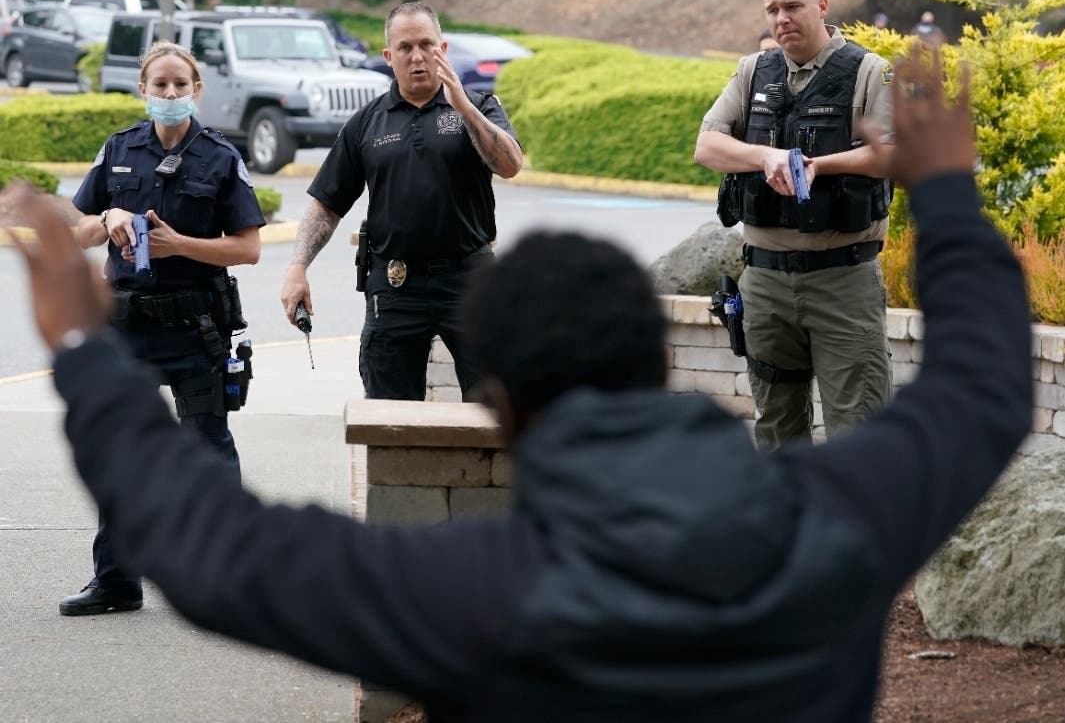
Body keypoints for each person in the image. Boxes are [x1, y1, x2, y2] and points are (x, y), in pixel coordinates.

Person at [7, 43, 1034, 721]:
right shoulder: (840, 519)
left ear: (501, 405)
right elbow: (985, 381)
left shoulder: (465, 590)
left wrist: (81, 345)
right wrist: (943, 191)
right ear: (658, 355)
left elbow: (210, 547)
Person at [59, 40, 265, 616]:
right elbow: (77, 230)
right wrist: (107, 217)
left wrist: (181, 246)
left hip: (195, 327)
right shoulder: (119, 150)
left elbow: (247, 248)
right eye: (160, 85)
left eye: (180, 85)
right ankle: (117, 582)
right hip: (125, 328)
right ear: (142, 90)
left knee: (207, 451)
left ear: (196, 90)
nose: (170, 94)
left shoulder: (220, 157)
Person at [694, 0, 895, 449]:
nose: (781, 18)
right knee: (777, 434)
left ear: (822, 7)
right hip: (764, 281)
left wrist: (817, 167)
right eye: (772, 10)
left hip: (842, 281)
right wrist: (766, 156)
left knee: (858, 431)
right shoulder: (752, 72)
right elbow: (707, 145)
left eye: (793, 7)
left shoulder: (869, 72)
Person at [280, 1, 523, 401]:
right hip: (396, 284)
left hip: (470, 279)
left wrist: (461, 105)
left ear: (442, 50)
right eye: (405, 47)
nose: (417, 56)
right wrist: (297, 268)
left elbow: (510, 164)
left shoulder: (480, 106)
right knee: (388, 413)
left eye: (426, 45)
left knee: (495, 404)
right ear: (389, 57)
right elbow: (327, 203)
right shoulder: (366, 122)